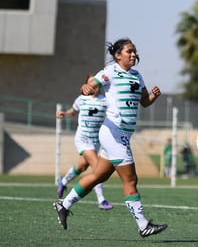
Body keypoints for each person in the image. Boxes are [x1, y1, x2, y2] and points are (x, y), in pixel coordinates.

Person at [53, 38, 168, 238]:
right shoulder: (110, 72)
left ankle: (64, 203)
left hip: (120, 135)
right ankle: (143, 225)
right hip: (114, 133)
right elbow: (91, 85)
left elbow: (144, 102)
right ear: (118, 55)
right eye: (129, 51)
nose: (133, 55)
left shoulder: (137, 76)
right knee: (131, 179)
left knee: (99, 176)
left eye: (134, 52)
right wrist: (85, 88)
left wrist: (153, 97)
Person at [55, 74, 113, 210]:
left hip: (96, 140)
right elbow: (73, 111)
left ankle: (63, 181)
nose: (93, 86)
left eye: (95, 83)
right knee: (98, 167)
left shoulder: (105, 100)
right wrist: (65, 113)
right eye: (90, 83)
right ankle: (101, 200)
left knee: (82, 167)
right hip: (83, 138)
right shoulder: (81, 99)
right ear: (86, 85)